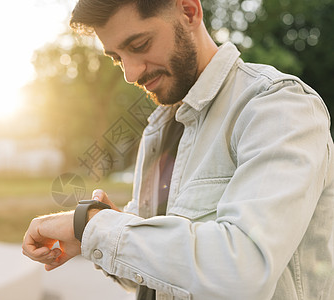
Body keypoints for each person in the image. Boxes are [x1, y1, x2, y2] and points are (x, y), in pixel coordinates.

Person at [22, 0, 334, 299]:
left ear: (188, 11)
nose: (130, 73)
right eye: (117, 58)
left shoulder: (276, 106)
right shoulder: (160, 128)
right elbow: (162, 279)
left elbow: (244, 272)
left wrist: (93, 225)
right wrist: (93, 236)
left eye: (139, 45)